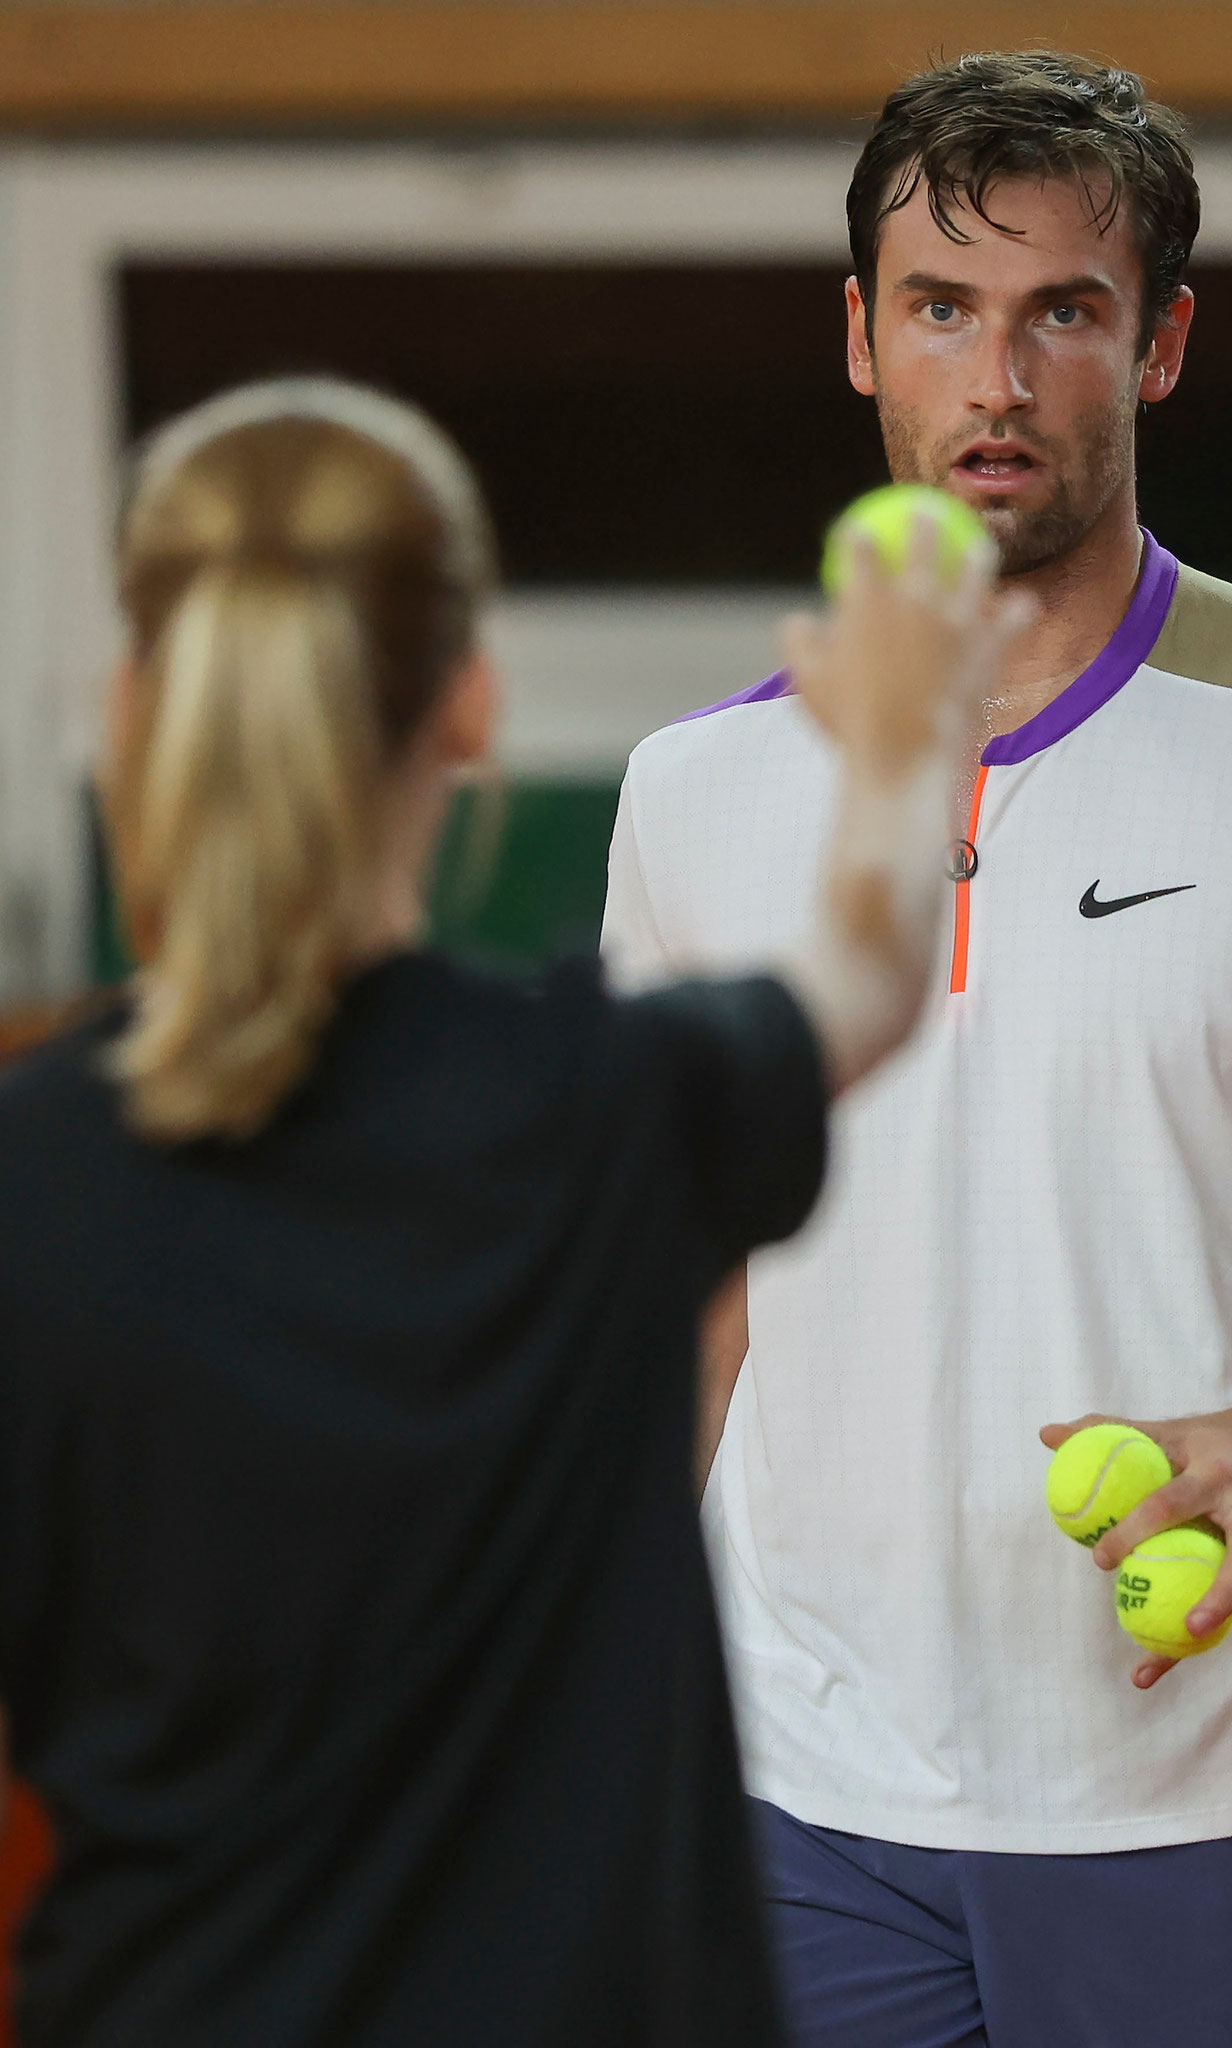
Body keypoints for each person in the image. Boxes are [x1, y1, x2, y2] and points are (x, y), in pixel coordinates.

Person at [600, 51, 1232, 2048]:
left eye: (1066, 310)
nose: (999, 378)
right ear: (862, 336)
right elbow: (685, 1282)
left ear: (1161, 347)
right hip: (797, 1798)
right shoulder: (692, 793)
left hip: (1214, 1799)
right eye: (946, 309)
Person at [0, 377, 1021, 2046]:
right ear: (468, 705)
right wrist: (909, 737)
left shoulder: (30, 1180)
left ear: (133, 702)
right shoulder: (603, 1109)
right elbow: (869, 975)